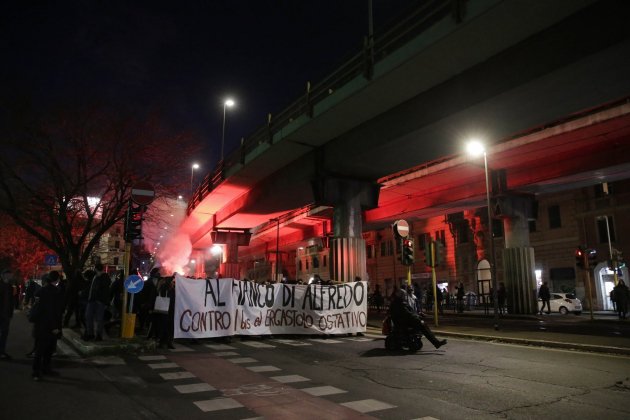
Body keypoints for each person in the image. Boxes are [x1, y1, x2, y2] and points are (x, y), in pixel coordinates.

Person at [31, 271, 63, 380]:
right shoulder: (55, 292)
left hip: (40, 325)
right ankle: (44, 369)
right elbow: (53, 311)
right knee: (48, 349)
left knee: (40, 349)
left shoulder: (41, 290)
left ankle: (36, 371)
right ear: (57, 280)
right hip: (49, 326)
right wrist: (55, 327)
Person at [84, 263, 111, 341]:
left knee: (98, 319)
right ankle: (91, 334)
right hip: (93, 300)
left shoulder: (104, 277)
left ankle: (98, 335)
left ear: (95, 269)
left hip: (99, 301)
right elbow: (92, 288)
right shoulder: (95, 276)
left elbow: (105, 290)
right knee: (89, 316)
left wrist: (103, 301)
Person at [0, 268, 15, 360]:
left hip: (6, 314)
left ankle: (2, 351)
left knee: (4, 333)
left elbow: (10, 300)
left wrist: (10, 312)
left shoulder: (9, 286)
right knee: (3, 333)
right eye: (7, 275)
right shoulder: (3, 285)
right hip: (2, 312)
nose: (9, 277)